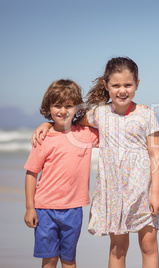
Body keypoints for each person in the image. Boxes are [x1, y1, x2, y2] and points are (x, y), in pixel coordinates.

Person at [32, 57, 159, 268]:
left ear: (137, 84)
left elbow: (155, 156)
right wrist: (47, 124)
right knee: (117, 248)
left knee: (149, 244)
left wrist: (155, 193)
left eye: (128, 85)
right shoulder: (99, 114)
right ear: (106, 85)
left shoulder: (147, 115)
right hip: (113, 193)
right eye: (116, 85)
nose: (122, 90)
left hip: (142, 191)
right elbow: (69, 122)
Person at [24, 79, 99, 268]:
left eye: (69, 106)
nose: (63, 111)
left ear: (77, 108)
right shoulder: (43, 138)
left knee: (69, 260)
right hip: (44, 209)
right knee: (49, 260)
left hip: (74, 209)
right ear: (48, 108)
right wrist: (29, 207)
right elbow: (31, 174)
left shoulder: (86, 134)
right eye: (57, 106)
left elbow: (113, 130)